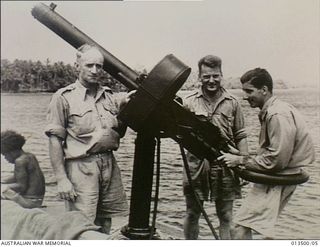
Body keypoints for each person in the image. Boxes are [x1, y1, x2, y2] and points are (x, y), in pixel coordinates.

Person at [45, 44, 134, 234]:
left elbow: (120, 128)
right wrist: (61, 179)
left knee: (105, 222)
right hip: (81, 167)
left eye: (99, 66)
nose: (95, 71)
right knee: (81, 226)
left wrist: (130, 105)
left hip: (109, 164)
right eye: (89, 65)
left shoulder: (109, 97)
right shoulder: (63, 97)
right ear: (77, 66)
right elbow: (54, 141)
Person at [218, 68, 315, 239]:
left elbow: (277, 160)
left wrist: (240, 160)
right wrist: (238, 153)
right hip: (280, 175)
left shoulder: (277, 114)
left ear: (264, 90)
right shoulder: (276, 108)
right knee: (253, 228)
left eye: (249, 91)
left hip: (279, 177)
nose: (245, 96)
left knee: (238, 229)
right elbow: (275, 152)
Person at [182, 55, 248, 239]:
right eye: (206, 76)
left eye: (215, 76)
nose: (211, 80)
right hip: (196, 164)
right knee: (192, 213)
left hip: (226, 164)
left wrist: (243, 163)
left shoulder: (233, 102)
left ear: (221, 75)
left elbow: (241, 135)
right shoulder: (189, 102)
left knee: (226, 215)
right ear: (199, 77)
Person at [1, 130, 45, 208]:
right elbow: (19, 177)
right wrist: (2, 180)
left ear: (11, 152)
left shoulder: (20, 161)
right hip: (38, 200)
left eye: (5, 154)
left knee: (3, 190)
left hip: (28, 202)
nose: (5, 158)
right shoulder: (30, 156)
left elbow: (21, 186)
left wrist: (5, 187)